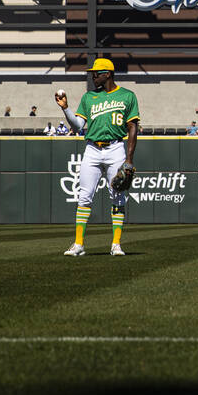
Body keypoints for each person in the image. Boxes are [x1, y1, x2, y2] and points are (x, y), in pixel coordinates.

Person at [57, 57, 139, 257]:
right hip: (92, 149)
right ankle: (78, 244)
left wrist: (129, 159)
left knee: (118, 195)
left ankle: (116, 244)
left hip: (116, 147)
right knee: (84, 196)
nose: (93, 76)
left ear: (108, 74)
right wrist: (65, 108)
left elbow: (132, 128)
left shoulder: (127, 96)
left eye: (97, 73)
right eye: (93, 72)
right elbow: (78, 126)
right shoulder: (89, 97)